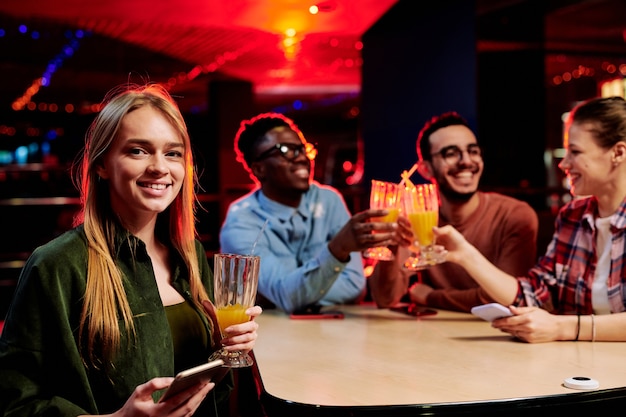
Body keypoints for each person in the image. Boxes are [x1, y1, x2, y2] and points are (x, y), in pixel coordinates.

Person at [0, 83, 262, 416]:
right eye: (138, 151)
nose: (160, 167)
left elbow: (206, 391)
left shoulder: (191, 255)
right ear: (101, 164)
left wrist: (228, 351)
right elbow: (15, 403)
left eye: (172, 152)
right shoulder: (57, 264)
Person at [434, 96, 626, 343]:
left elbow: (559, 325)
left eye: (575, 152)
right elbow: (536, 293)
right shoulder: (573, 217)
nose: (564, 163)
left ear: (618, 153)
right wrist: (465, 255)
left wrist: (562, 328)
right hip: (582, 371)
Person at [220, 112, 412, 314]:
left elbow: (354, 287)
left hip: (335, 334)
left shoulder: (329, 200)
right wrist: (337, 250)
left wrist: (284, 295)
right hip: (272, 338)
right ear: (259, 169)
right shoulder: (241, 221)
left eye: (303, 149)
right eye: (285, 150)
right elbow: (287, 296)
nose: (301, 158)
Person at [369, 111, 539, 312]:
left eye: (473, 151)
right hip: (434, 337)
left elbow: (508, 299)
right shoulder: (417, 219)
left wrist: (430, 296)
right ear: (425, 169)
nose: (466, 161)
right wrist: (392, 245)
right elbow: (385, 299)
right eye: (450, 153)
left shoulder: (514, 215)